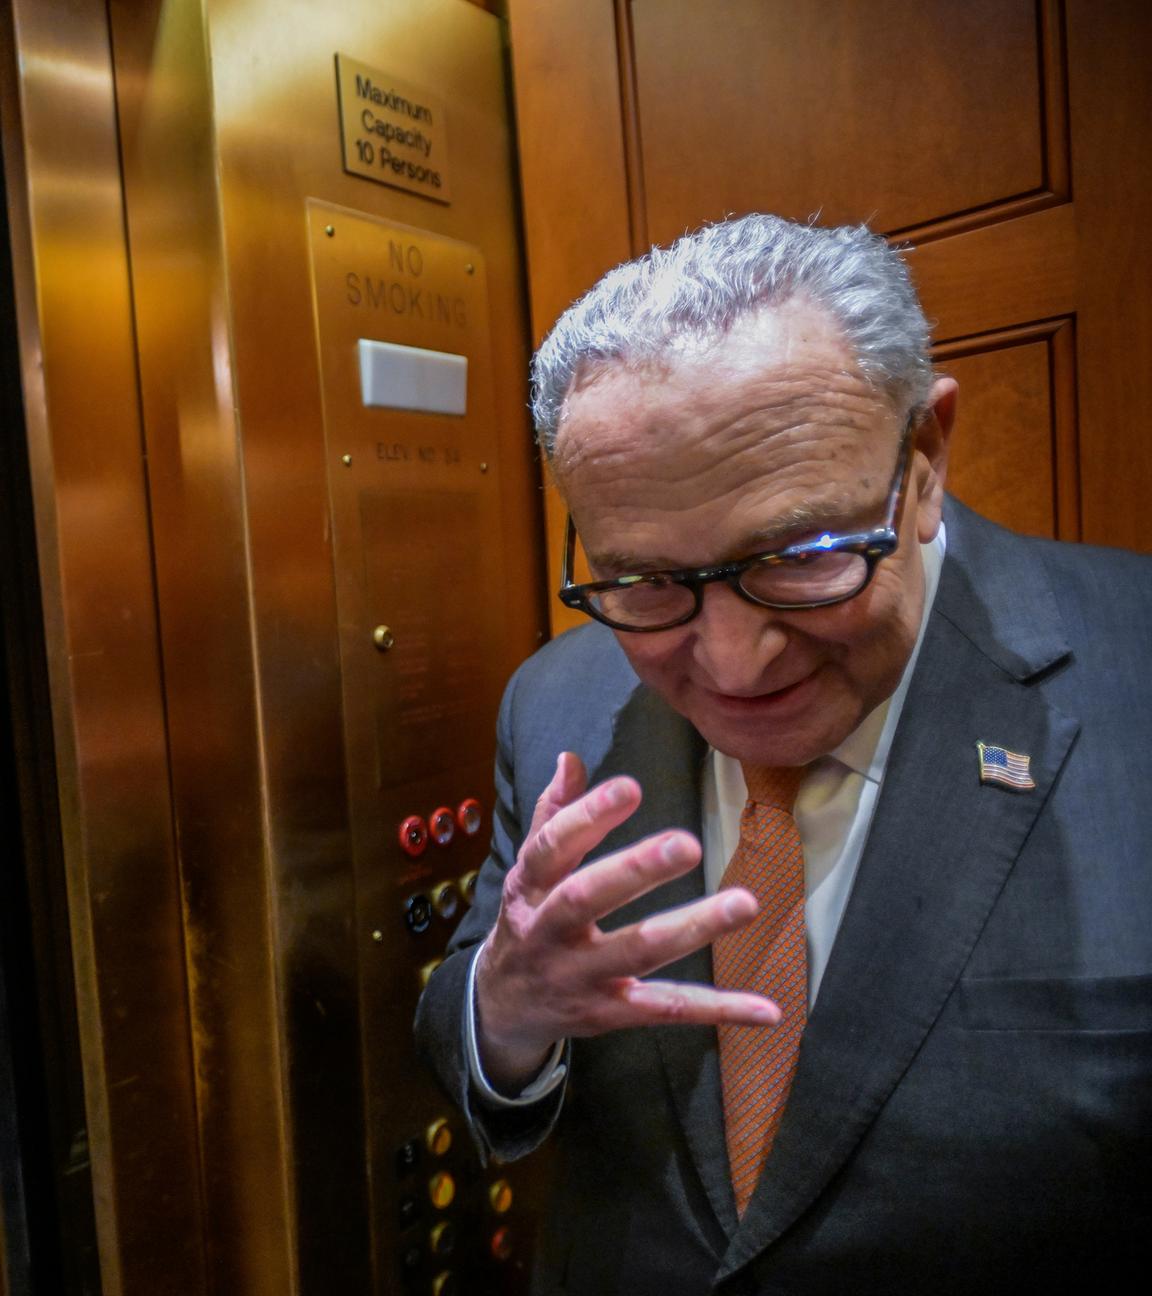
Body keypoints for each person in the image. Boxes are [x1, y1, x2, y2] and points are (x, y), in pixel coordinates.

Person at [415, 214, 1152, 1295]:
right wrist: (506, 1010)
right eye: (648, 584)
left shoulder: (1132, 671)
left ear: (926, 456)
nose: (733, 663)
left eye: (802, 557)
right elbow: (473, 1023)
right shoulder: (560, 701)